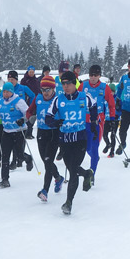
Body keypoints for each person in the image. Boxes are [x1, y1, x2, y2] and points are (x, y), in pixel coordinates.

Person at [45, 71, 97, 215]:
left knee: (73, 170)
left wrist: (93, 121)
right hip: (65, 140)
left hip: (80, 138)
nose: (66, 86)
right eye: (63, 83)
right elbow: (47, 118)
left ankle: (68, 202)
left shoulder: (84, 97)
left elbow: (94, 106)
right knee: (71, 167)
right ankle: (87, 173)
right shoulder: (58, 99)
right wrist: (56, 122)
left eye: (69, 83)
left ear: (75, 83)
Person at [26, 75, 64, 201]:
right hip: (42, 132)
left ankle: (45, 190)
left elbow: (66, 115)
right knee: (45, 159)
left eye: (48, 89)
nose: (45, 92)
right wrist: (30, 117)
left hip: (54, 133)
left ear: (53, 89)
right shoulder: (38, 98)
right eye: (43, 90)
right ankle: (58, 178)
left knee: (48, 161)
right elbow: (30, 111)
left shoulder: (58, 100)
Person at [0, 82, 32, 188]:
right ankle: (5, 179)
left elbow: (28, 113)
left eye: (8, 92)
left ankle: (28, 159)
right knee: (5, 155)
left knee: (19, 154)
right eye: (4, 91)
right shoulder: (1, 101)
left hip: (19, 131)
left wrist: (22, 119)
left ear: (12, 92)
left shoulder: (18, 101)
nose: (5, 94)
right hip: (6, 131)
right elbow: (1, 113)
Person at [81, 65, 115, 177]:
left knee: (94, 147)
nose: (93, 77)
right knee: (87, 148)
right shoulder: (83, 85)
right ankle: (95, 158)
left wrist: (112, 119)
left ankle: (92, 175)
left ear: (99, 75)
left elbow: (111, 104)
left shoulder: (105, 87)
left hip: (98, 121)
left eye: (95, 75)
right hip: (84, 120)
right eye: (91, 75)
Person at [7, 70, 33, 144]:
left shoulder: (23, 88)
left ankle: (21, 154)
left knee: (19, 143)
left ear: (16, 80)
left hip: (21, 116)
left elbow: (32, 96)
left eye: (12, 79)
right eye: (9, 79)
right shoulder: (6, 89)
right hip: (10, 116)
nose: (10, 81)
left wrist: (29, 107)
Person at [21, 66, 41, 139]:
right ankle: (26, 132)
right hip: (27, 101)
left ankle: (30, 132)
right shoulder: (24, 80)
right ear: (28, 72)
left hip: (35, 101)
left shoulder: (36, 80)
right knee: (27, 117)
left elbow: (39, 90)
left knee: (33, 117)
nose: (31, 73)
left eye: (33, 72)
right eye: (30, 72)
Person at [102, 83, 119, 158]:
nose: (110, 93)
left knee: (113, 135)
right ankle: (108, 144)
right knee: (104, 134)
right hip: (107, 119)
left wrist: (117, 114)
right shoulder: (105, 99)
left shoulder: (117, 99)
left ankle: (112, 151)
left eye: (112, 91)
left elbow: (120, 109)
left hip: (115, 120)